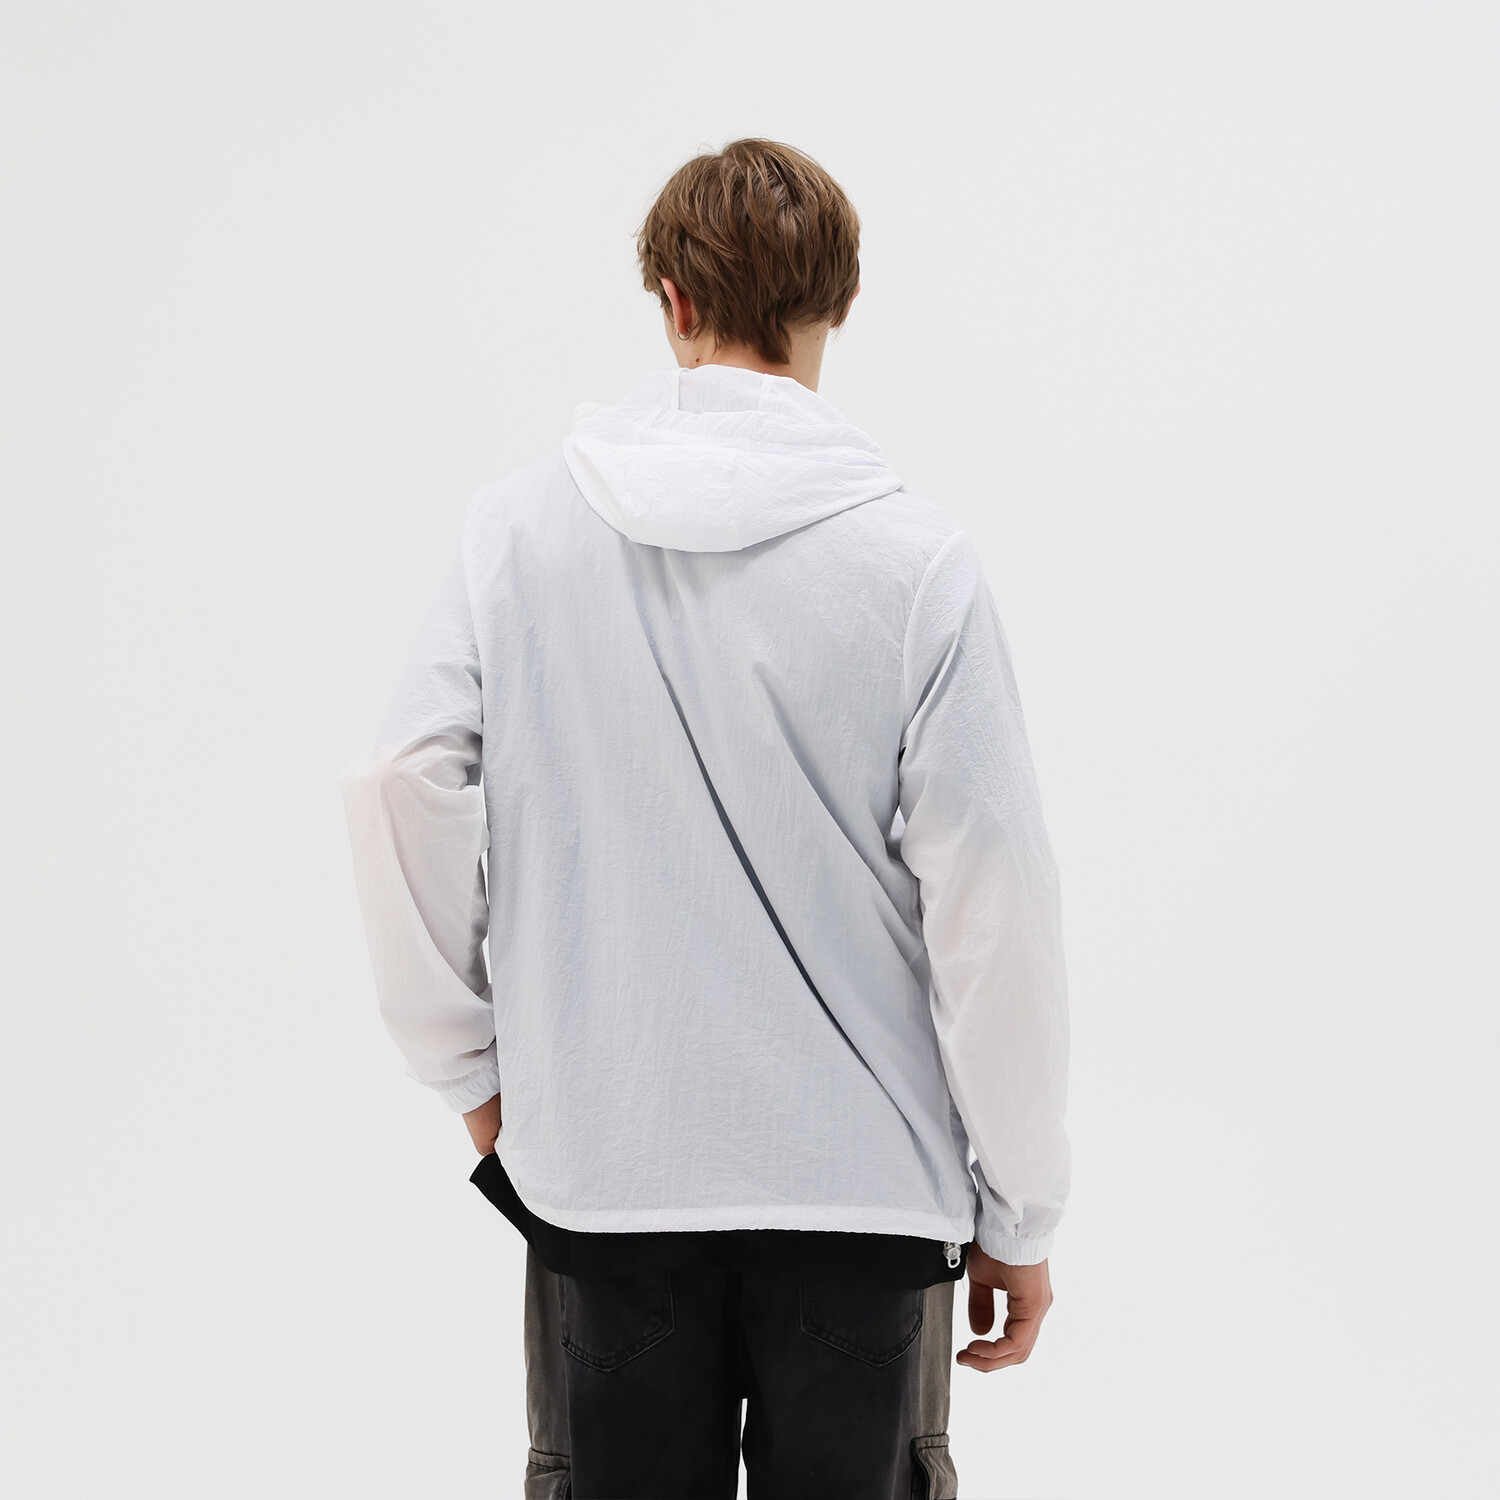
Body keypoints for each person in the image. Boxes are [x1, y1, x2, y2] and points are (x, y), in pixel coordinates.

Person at [341, 137, 1070, 1500]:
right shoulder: (918, 565)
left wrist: (472, 1076)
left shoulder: (517, 535)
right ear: (840, 302)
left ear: (670, 299)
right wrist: (1019, 1210)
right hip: (866, 1200)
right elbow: (997, 904)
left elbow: (398, 780)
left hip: (604, 1182)